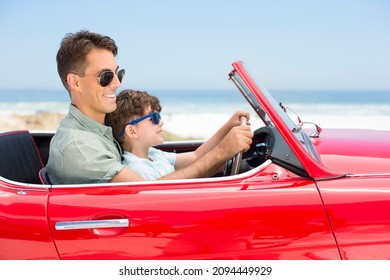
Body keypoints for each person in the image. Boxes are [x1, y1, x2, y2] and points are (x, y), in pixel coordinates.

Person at [46, 30, 253, 184]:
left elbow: (195, 158)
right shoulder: (79, 147)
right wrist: (221, 153)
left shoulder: (100, 129)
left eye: (119, 74)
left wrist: (227, 135)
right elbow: (149, 192)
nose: (117, 84)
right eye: (105, 76)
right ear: (75, 82)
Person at [105, 89, 251, 180]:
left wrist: (229, 125)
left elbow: (196, 156)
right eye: (154, 119)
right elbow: (163, 189)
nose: (161, 122)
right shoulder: (135, 168)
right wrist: (223, 151)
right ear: (132, 131)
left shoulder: (153, 154)